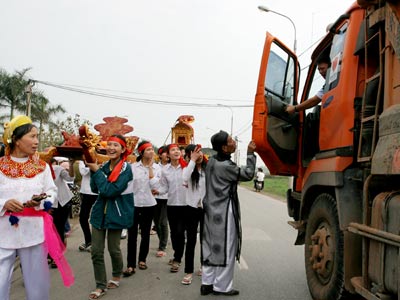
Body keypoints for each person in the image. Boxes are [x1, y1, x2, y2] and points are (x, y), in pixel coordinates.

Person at [0, 115, 73, 300]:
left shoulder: (41, 167)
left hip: (33, 232)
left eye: (37, 136)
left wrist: (41, 200)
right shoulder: (0, 166)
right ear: (16, 140)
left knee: (37, 283)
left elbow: (51, 191)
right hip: (3, 232)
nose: (36, 141)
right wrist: (4, 203)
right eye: (32, 136)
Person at [201, 130, 256, 296]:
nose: (234, 142)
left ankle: (207, 282)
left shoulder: (211, 161)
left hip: (210, 211)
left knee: (210, 246)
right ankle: (222, 286)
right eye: (231, 140)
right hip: (224, 211)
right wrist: (250, 154)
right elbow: (248, 174)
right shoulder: (225, 166)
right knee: (226, 247)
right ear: (224, 148)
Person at [86, 134, 134, 300]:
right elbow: (94, 188)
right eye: (110, 145)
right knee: (96, 251)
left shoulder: (126, 169)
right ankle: (100, 285)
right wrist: (95, 171)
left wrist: (96, 172)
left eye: (116, 145)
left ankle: (116, 274)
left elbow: (110, 191)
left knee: (114, 249)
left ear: (122, 149)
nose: (111, 148)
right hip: (99, 214)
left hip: (117, 213)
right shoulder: (104, 166)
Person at [123, 141, 159, 277]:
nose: (151, 152)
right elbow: (127, 185)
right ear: (141, 152)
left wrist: (150, 169)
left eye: (152, 149)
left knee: (145, 234)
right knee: (132, 235)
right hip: (134, 204)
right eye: (148, 149)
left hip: (149, 204)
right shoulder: (132, 167)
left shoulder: (157, 169)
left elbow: (156, 186)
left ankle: (142, 259)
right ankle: (130, 264)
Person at [158, 143, 188, 273]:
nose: (176, 152)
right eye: (172, 150)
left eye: (177, 150)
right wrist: (157, 191)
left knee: (180, 232)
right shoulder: (165, 170)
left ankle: (177, 259)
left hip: (185, 205)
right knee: (174, 233)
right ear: (168, 155)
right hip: (171, 205)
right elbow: (164, 188)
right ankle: (177, 253)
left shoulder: (186, 168)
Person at [180, 144, 207, 285]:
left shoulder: (208, 170)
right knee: (190, 241)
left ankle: (204, 266)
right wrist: (192, 161)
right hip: (191, 209)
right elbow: (184, 177)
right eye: (195, 153)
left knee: (205, 240)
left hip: (206, 209)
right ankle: (188, 272)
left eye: (200, 152)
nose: (199, 155)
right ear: (190, 156)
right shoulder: (188, 170)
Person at [51, 159, 75, 247]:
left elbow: (70, 178)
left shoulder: (57, 169)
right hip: (49, 203)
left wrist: (71, 165)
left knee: (60, 226)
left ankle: (59, 249)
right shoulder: (38, 171)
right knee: (52, 227)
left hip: (63, 201)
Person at [78, 159, 98, 252]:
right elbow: (83, 172)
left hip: (98, 192)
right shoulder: (83, 160)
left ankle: (96, 243)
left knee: (96, 218)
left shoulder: (101, 157)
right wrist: (91, 165)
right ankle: (88, 240)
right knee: (83, 217)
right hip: (86, 192)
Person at [153, 145, 169, 258]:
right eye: (165, 153)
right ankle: (162, 239)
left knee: (163, 222)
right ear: (159, 155)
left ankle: (162, 246)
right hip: (155, 197)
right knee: (157, 222)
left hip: (167, 198)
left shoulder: (172, 167)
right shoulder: (154, 167)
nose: (167, 155)